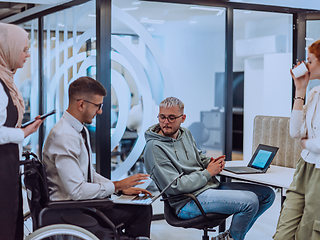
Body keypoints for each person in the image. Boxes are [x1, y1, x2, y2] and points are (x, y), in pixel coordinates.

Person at [143, 97, 275, 240]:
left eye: (171, 118)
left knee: (267, 195)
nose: (165, 122)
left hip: (207, 187)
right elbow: (175, 186)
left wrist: (212, 163)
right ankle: (232, 238)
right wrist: (207, 173)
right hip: (187, 201)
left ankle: (229, 236)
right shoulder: (154, 147)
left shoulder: (185, 133)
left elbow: (198, 157)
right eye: (162, 117)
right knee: (249, 201)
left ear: (183, 118)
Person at [42, 76, 152, 239]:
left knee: (142, 209)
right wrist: (116, 186)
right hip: (70, 210)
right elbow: (77, 191)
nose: (100, 111)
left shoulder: (79, 130)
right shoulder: (64, 136)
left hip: (84, 205)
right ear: (81, 104)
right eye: (98, 106)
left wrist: (119, 188)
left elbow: (89, 174)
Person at [0, 23, 44, 240]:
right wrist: (25, 132)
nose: (27, 54)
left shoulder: (7, 80)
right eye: (24, 48)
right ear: (7, 48)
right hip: (2, 168)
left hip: (7, 166)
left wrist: (26, 128)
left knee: (10, 218)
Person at [273, 40, 320, 240]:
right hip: (305, 167)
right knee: (283, 233)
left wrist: (305, 143)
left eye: (310, 60)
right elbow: (295, 131)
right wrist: (300, 90)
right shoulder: (314, 93)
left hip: (318, 172)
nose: (306, 66)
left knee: (308, 234)